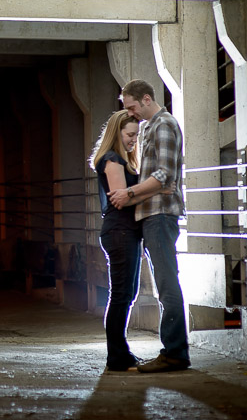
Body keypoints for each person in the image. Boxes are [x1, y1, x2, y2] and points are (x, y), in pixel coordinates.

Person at [108, 79, 191, 373]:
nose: (132, 113)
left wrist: (131, 192)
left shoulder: (163, 124)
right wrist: (146, 191)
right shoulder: (150, 128)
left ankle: (175, 352)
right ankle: (174, 350)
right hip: (153, 214)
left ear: (145, 99)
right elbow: (160, 181)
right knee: (164, 284)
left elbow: (165, 175)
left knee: (167, 285)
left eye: (132, 107)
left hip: (160, 216)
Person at [90, 110, 143, 371]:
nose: (134, 139)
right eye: (130, 134)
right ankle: (116, 357)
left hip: (125, 232)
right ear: (117, 133)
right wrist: (152, 189)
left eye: (136, 134)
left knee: (127, 294)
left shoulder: (121, 159)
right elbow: (122, 199)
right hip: (119, 231)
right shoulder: (112, 159)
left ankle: (121, 353)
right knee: (121, 295)